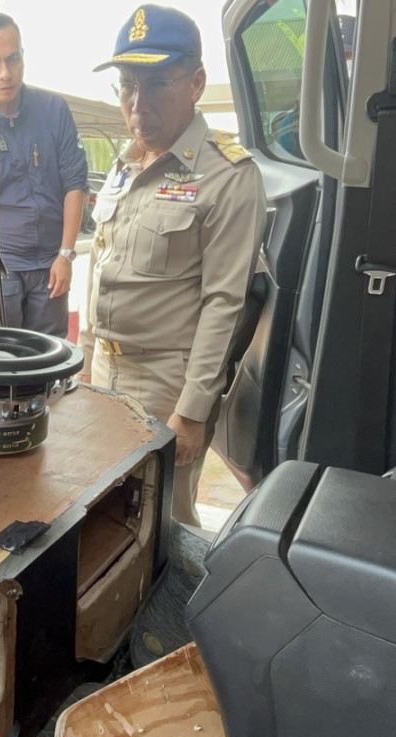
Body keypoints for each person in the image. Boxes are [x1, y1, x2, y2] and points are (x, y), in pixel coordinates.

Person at [79, 5, 266, 527]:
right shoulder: (125, 165)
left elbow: (224, 303)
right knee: (105, 514)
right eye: (127, 86)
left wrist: (192, 411)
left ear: (196, 83)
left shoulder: (227, 175)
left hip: (166, 382)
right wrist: (86, 360)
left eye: (158, 84)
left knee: (165, 524)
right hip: (105, 371)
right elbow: (102, 266)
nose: (138, 104)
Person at [0, 12, 88, 339]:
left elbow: (75, 183)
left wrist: (66, 255)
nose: (5, 74)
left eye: (13, 59)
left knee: (49, 357)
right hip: (2, 268)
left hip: (51, 268)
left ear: (23, 56)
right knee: (2, 356)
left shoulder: (53, 111)